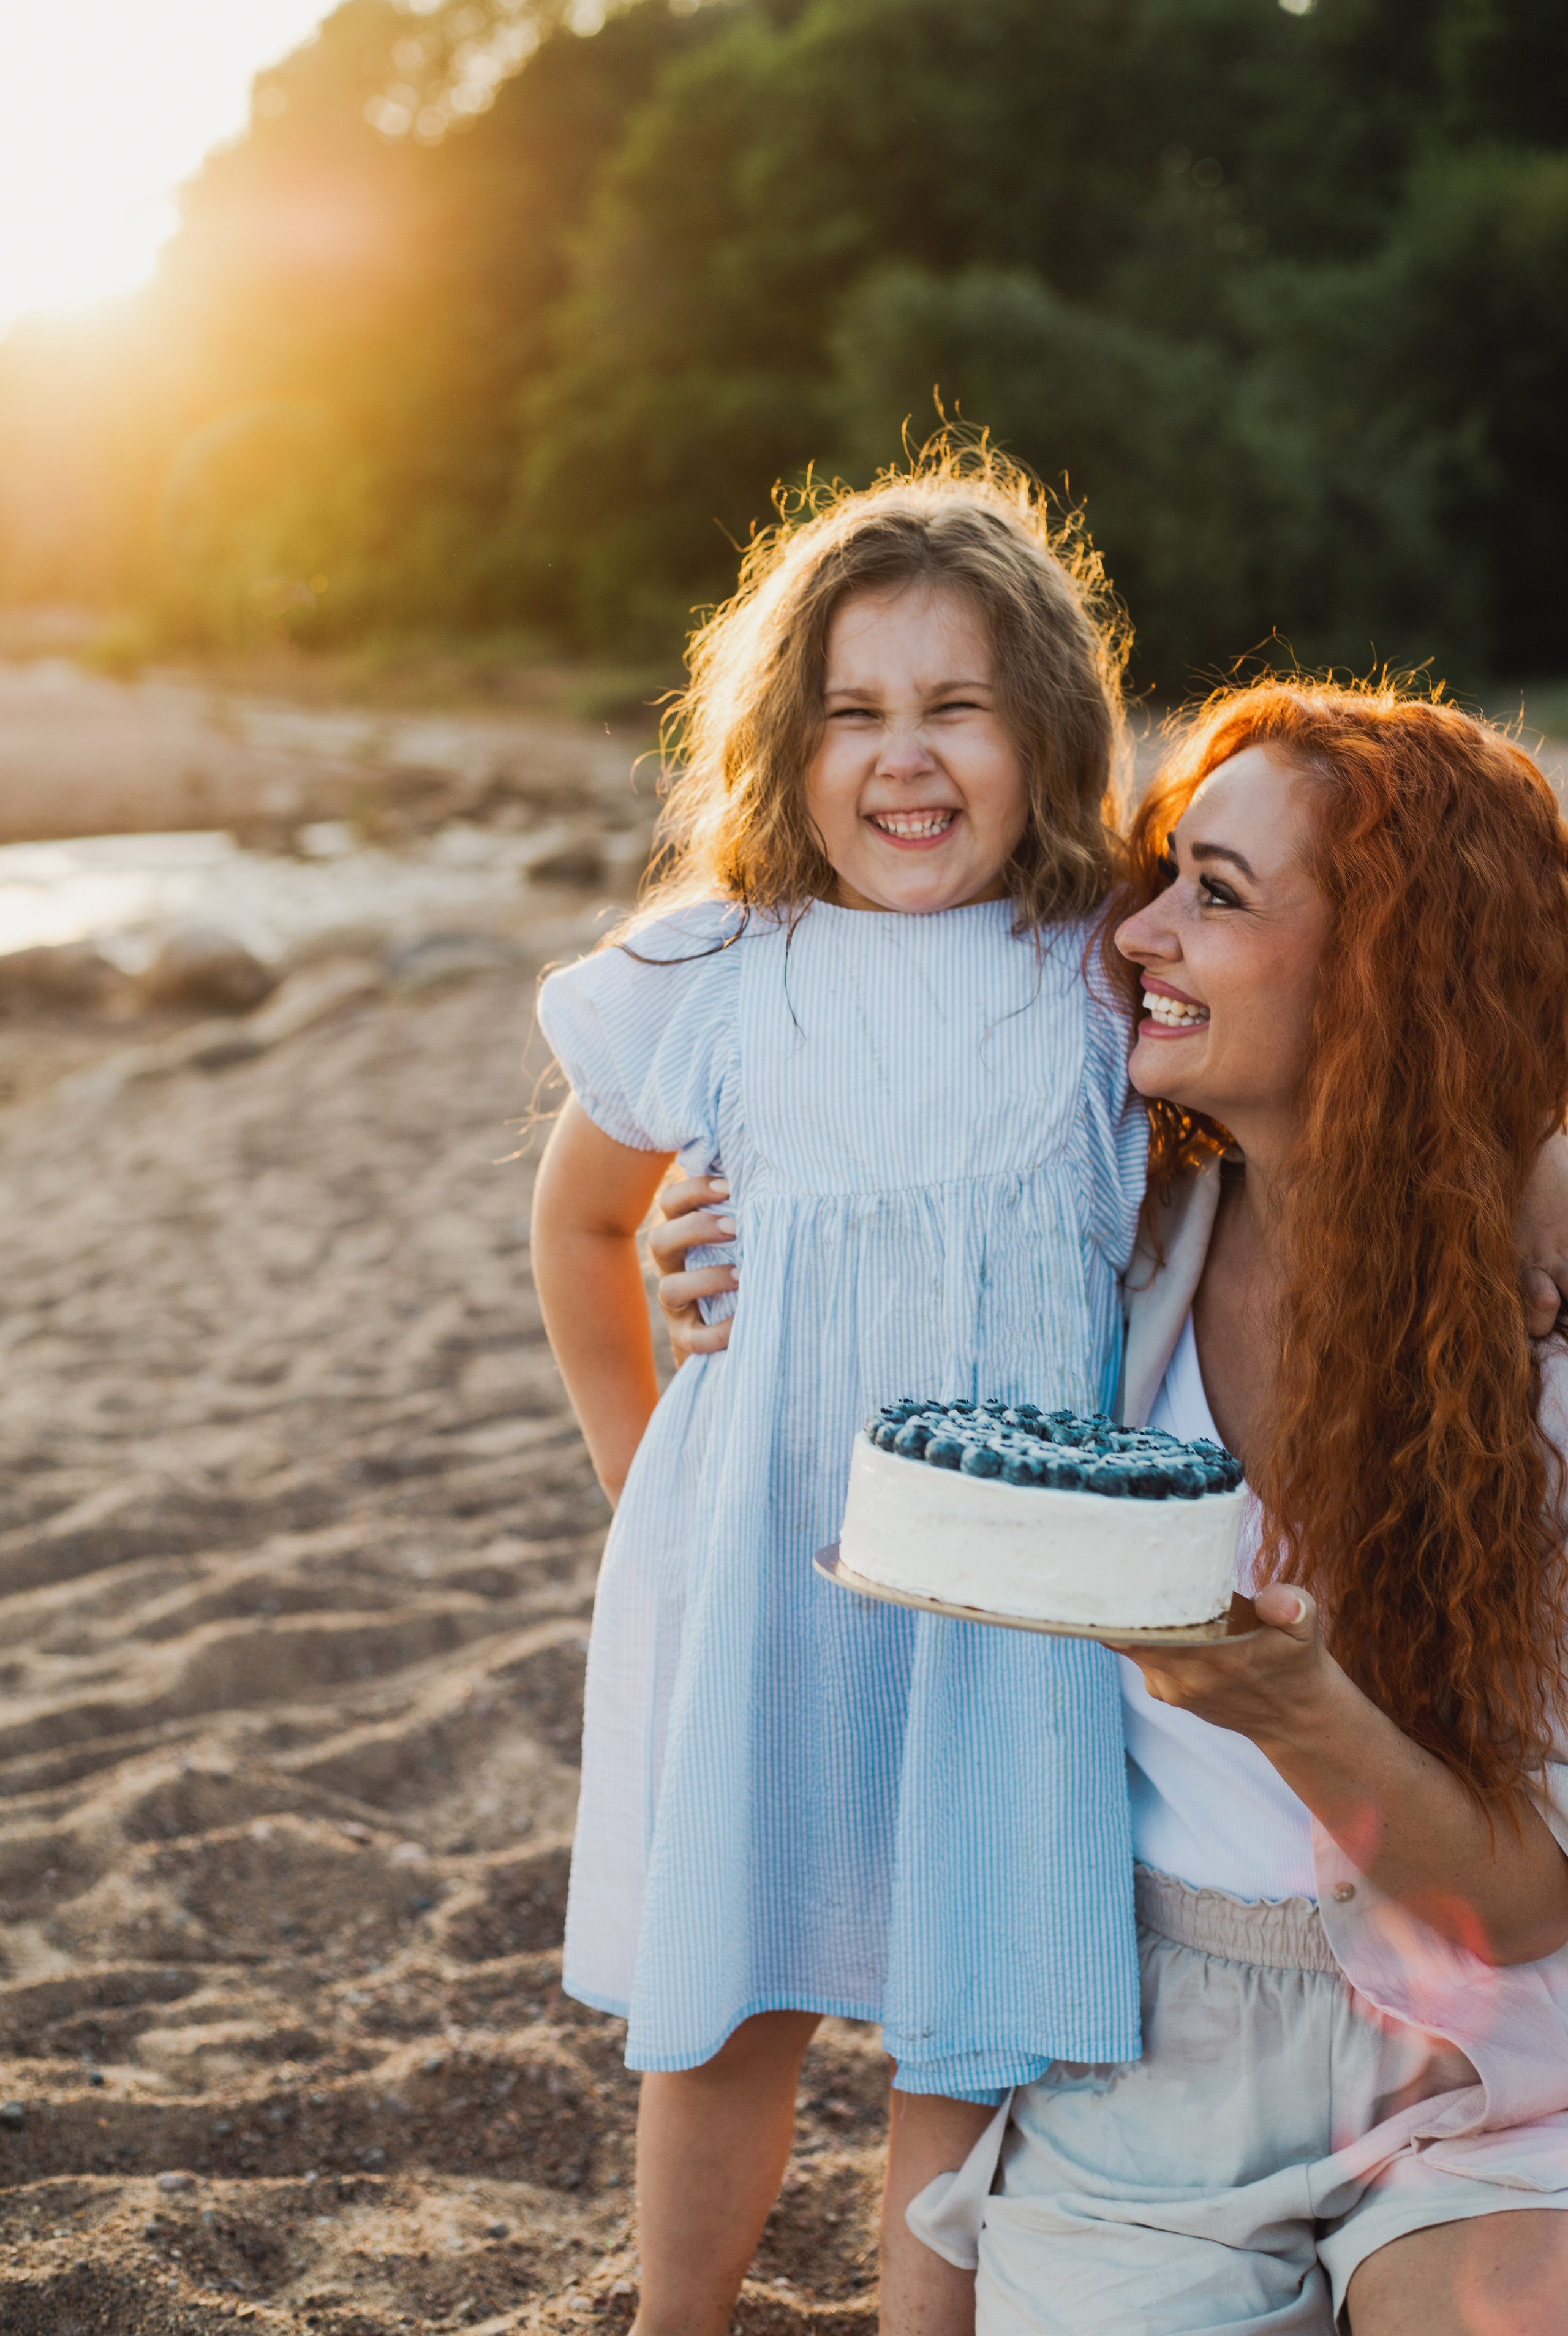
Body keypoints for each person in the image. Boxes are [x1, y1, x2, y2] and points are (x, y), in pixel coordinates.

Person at [529, 450, 1155, 2336]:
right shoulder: (718, 967)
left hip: (1014, 1597)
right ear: (782, 746)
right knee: (728, 1989)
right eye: (853, 713)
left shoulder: (1100, 974)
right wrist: (650, 1480)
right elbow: (581, 1228)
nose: (906, 757)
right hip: (766, 1574)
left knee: (968, 2003)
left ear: (1046, 731)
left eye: (957, 708)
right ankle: (680, 2312)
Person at [888, 684, 1568, 2334]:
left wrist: (1302, 1715)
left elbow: (1524, 1902)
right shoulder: (1096, 1256)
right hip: (1152, 2056)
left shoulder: (1543, 1331)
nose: (1136, 933)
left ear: (1390, 976)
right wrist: (702, 1269)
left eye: (1218, 894)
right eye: (1162, 876)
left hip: (1498, 2056)